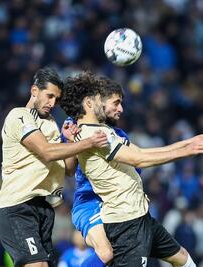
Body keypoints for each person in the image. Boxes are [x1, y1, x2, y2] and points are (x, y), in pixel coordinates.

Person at [60, 72, 203, 267]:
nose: (120, 108)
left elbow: (141, 152)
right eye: (106, 100)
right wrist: (187, 151)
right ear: (89, 103)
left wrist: (188, 143)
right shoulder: (91, 135)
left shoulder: (108, 132)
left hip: (138, 212)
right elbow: (139, 159)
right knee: (106, 253)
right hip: (118, 215)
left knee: (183, 258)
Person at [0, 67, 109, 267]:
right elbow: (46, 151)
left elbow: (69, 169)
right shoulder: (19, 116)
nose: (52, 103)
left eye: (56, 99)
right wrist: (87, 143)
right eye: (49, 96)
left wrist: (69, 141)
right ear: (34, 90)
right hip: (17, 206)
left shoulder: (51, 124)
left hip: (43, 208)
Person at [68, 77, 142, 267]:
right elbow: (68, 168)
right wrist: (70, 140)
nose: (121, 109)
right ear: (99, 101)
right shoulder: (77, 127)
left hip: (117, 205)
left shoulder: (119, 136)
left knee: (123, 255)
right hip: (90, 202)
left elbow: (138, 163)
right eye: (115, 103)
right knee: (106, 253)